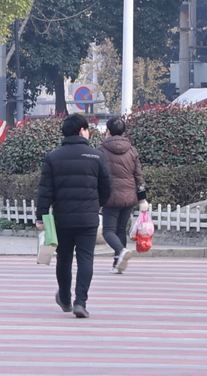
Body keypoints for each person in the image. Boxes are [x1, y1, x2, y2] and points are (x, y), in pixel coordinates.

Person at [36, 114, 113, 319]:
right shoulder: (96, 156)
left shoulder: (53, 157)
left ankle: (64, 297)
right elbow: (107, 188)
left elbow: (45, 190)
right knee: (86, 258)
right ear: (82, 131)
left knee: (64, 258)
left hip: (63, 218)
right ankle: (81, 301)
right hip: (88, 218)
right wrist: (98, 204)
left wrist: (41, 216)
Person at [98, 116, 147, 275]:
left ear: (108, 131)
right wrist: (142, 198)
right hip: (129, 196)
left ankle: (120, 250)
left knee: (108, 231)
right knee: (120, 230)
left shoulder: (101, 150)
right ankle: (117, 264)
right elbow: (138, 176)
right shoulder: (132, 150)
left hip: (110, 197)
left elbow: (98, 176)